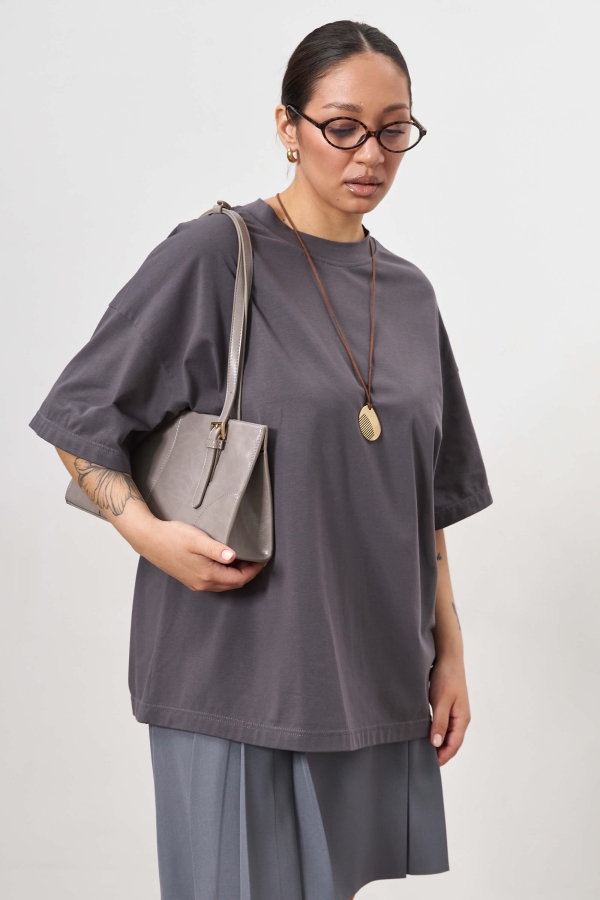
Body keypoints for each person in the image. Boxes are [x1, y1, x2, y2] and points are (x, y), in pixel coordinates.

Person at [28, 19, 493, 900]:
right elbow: (78, 420)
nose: (371, 155)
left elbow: (425, 499)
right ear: (288, 125)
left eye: (394, 129)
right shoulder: (216, 255)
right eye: (342, 127)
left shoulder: (409, 294)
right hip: (237, 670)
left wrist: (450, 653)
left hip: (371, 672)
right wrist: (150, 537)